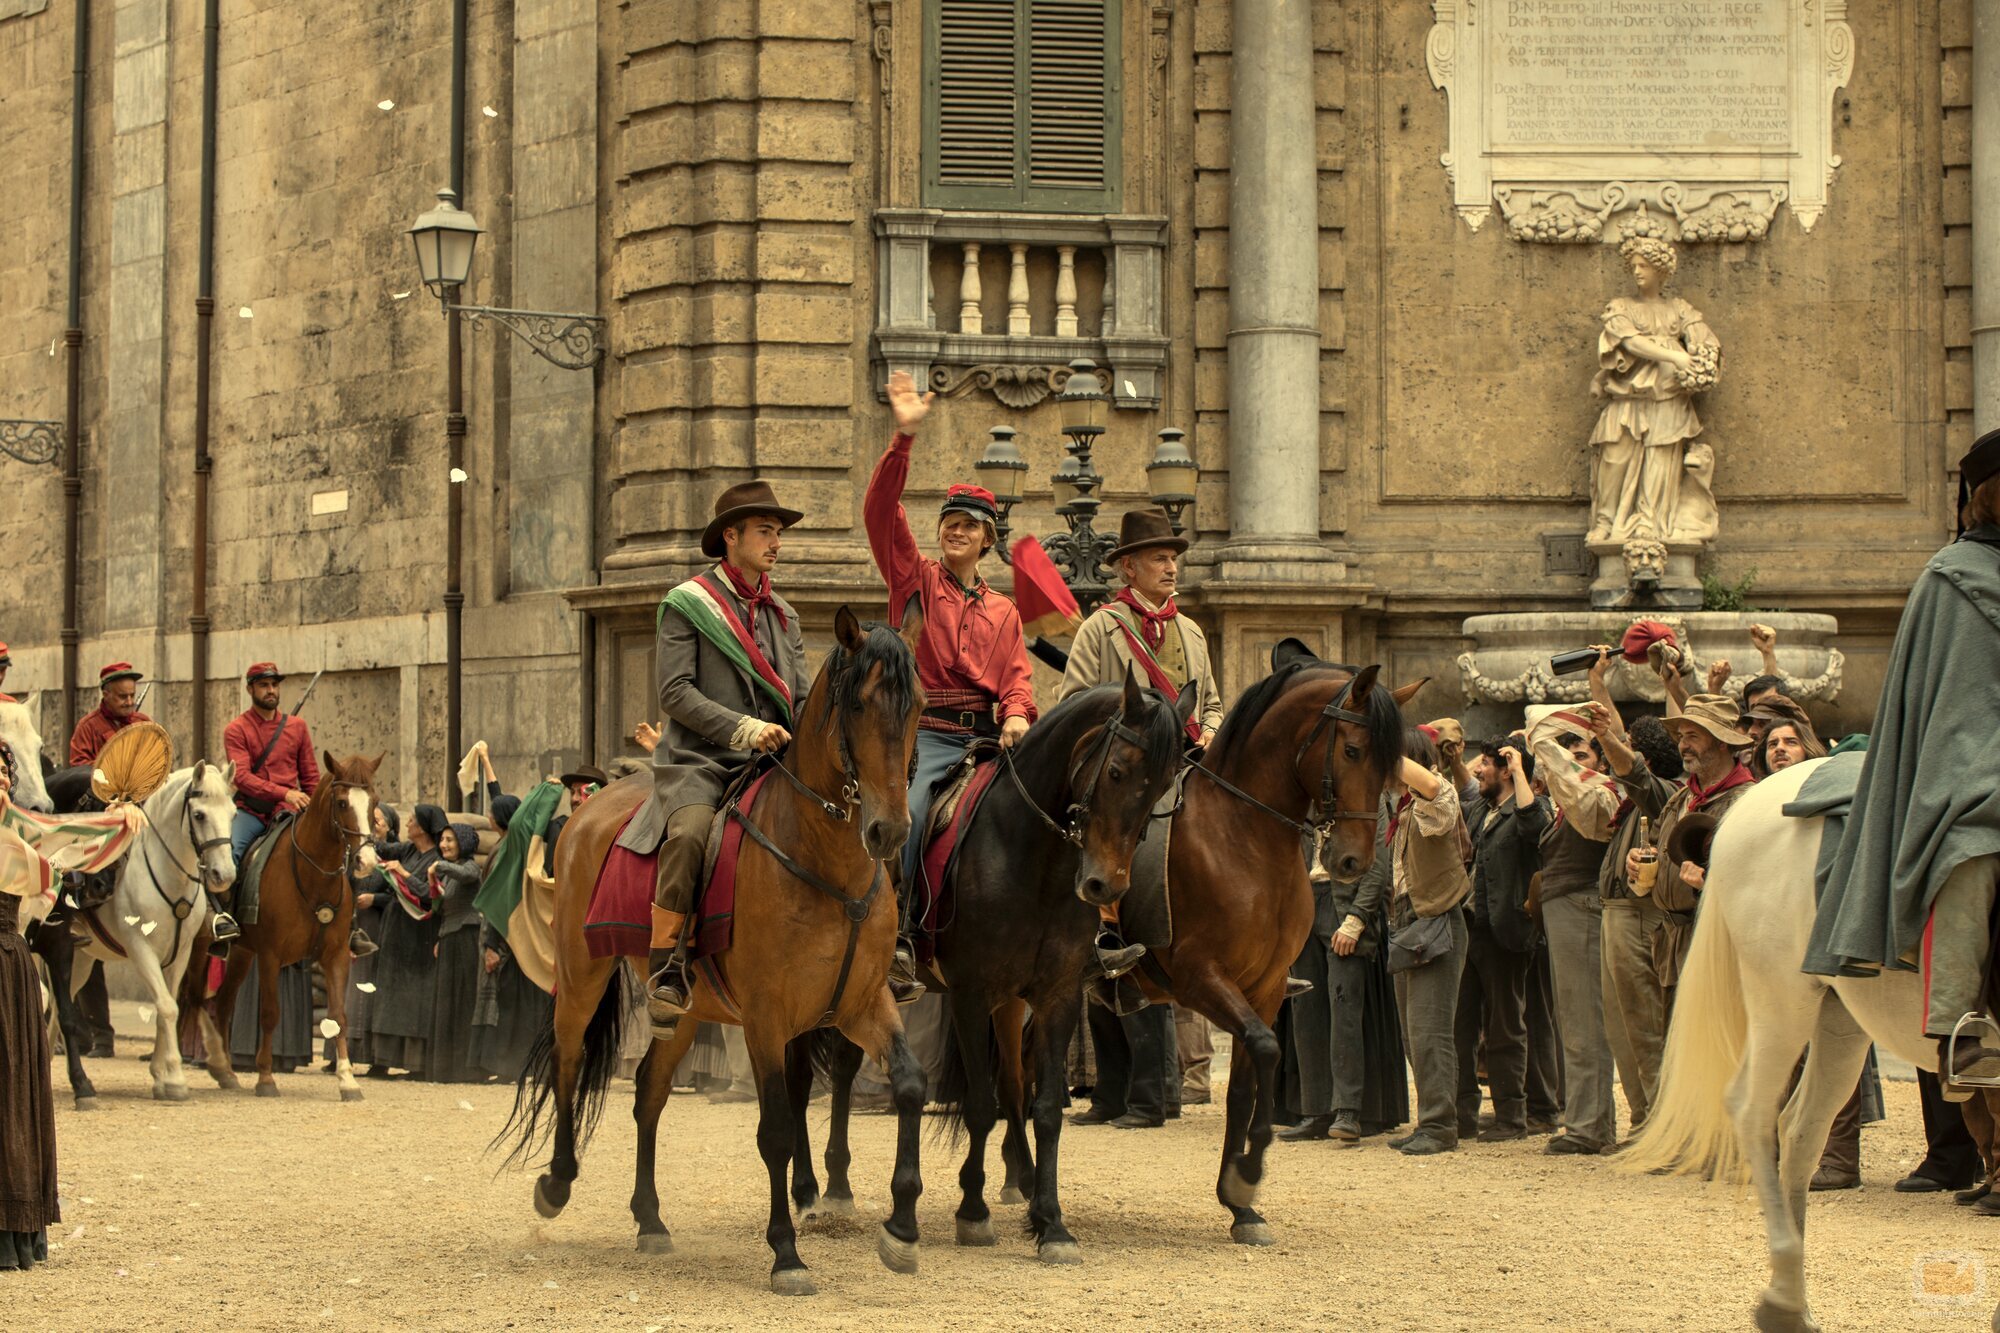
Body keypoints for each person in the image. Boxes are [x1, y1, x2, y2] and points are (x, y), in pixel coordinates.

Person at [1804, 430, 2000, 1098]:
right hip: (1972, 769)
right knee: (1973, 852)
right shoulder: (1949, 581)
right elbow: (1947, 711)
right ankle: (1962, 1027)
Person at [866, 369, 1035, 998]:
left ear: (988, 540)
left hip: (993, 740)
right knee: (907, 816)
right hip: (928, 735)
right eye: (950, 522)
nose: (955, 530)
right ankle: (901, 937)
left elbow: (1018, 680)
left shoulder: (1005, 611)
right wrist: (902, 439)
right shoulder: (914, 578)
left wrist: (1018, 713)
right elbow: (881, 512)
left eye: (969, 525)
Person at [624, 480, 810, 1038]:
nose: (775, 543)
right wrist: (742, 728)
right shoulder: (688, 603)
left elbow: (797, 694)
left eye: (778, 533)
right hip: (701, 760)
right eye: (764, 532)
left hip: (773, 758)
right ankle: (668, 966)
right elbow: (675, 693)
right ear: (731, 537)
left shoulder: (786, 615)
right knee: (689, 835)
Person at [1060, 506, 1222, 999]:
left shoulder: (1192, 631)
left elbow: (1212, 702)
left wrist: (1212, 731)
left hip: (1189, 761)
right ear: (1128, 568)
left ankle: (1237, 942)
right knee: (1119, 833)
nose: (1171, 567)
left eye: (1173, 558)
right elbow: (1074, 703)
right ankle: (1106, 934)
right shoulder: (1100, 627)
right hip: (1128, 769)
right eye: (1158, 559)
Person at [1596, 694, 1755, 989]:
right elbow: (1656, 848)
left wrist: (1706, 885)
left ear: (1721, 741)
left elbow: (1754, 882)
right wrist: (1639, 862)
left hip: (1716, 942)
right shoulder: (1680, 799)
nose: (1682, 745)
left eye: (1693, 736)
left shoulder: (1747, 801)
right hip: (1671, 944)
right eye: (1681, 737)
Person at [1524, 704, 1620, 1155]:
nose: (1573, 763)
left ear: (1600, 762)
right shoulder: (1566, 805)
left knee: (1583, 1021)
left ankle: (1589, 1127)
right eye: (1570, 756)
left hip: (1582, 908)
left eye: (1583, 755)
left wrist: (1548, 737)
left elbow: (1577, 789)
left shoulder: (1600, 795)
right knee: (1574, 1020)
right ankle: (1587, 1121)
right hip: (1567, 911)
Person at [1455, 740, 1548, 1142]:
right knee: (1461, 1026)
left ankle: (1512, 1117)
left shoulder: (1524, 808)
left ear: (1508, 770)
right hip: (1471, 927)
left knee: (1506, 1026)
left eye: (1489, 765)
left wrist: (1518, 767)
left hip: (1506, 930)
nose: (1480, 771)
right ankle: (1462, 1116)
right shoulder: (1481, 809)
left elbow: (1536, 826)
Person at [1593, 711, 1681, 1135]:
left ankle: (1663, 1130)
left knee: (1647, 1027)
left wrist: (1605, 736)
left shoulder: (1664, 791)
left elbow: (1633, 771)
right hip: (1616, 914)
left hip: (1640, 917)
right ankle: (1643, 1122)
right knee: (1622, 1028)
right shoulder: (1635, 801)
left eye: (1628, 743)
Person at [0, 738, 59, 1270]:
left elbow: (77, 846)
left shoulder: (19, 843)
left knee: (12, 1086)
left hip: (8, 969)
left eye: (3, 776)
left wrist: (119, 818)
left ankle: (14, 1228)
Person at [217, 662, 323, 945]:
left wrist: (314, 808)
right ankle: (222, 920)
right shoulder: (236, 730)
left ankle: (344, 927)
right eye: (264, 685)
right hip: (252, 812)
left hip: (290, 814)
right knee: (230, 857)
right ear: (250, 688)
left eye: (275, 685)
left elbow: (311, 776)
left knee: (334, 852)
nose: (271, 690)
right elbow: (242, 777)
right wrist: (283, 792)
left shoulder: (297, 727)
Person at [368, 804, 446, 1076]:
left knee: (414, 999)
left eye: (412, 820)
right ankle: (382, 1060)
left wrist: (402, 873)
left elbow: (428, 894)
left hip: (419, 937)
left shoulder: (438, 859)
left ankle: (415, 1064)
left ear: (423, 828)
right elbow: (382, 849)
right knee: (387, 995)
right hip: (395, 931)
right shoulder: (408, 850)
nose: (408, 823)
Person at [426, 823, 485, 1084]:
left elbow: (468, 876)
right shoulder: (449, 873)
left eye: (450, 840)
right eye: (442, 840)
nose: (444, 845)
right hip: (449, 938)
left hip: (466, 937)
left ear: (462, 842)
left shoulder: (470, 866)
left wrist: (438, 866)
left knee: (463, 1002)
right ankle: (445, 1069)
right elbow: (442, 907)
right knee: (446, 1004)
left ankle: (465, 1068)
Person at [67, 661, 151, 766]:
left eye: (132, 695)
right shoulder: (87, 727)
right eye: (123, 697)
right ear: (106, 695)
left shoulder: (144, 723)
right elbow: (78, 769)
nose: (130, 702)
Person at [543, 764, 607, 879]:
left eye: (583, 793)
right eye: (572, 792)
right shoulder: (559, 827)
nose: (574, 799)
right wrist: (547, 793)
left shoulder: (610, 834)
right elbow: (523, 824)